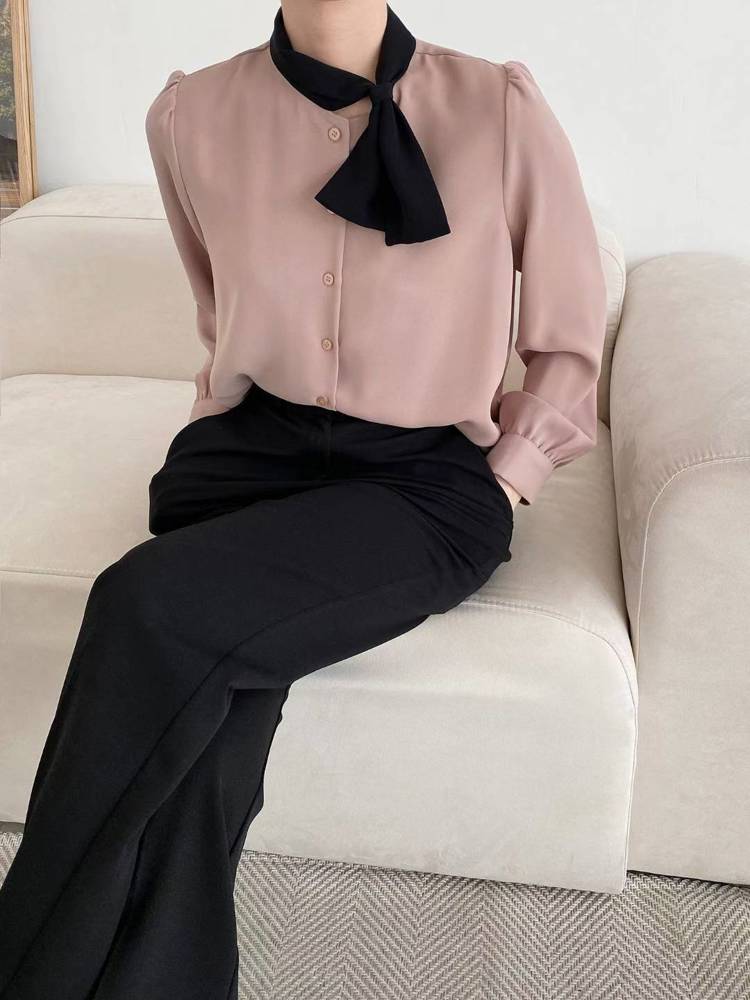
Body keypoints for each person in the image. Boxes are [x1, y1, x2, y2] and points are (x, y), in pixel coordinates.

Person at [0, 2, 607, 997]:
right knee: (207, 748)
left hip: (422, 482)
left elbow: (569, 331)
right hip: (247, 457)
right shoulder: (192, 115)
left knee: (141, 602)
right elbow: (218, 308)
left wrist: (513, 474)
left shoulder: (497, 108)